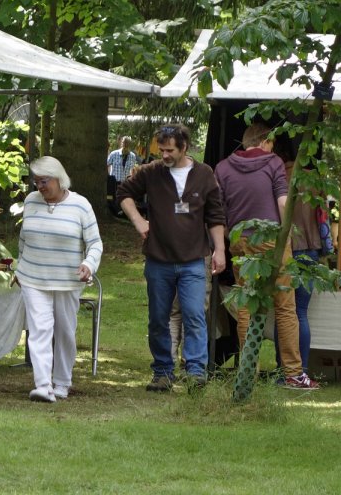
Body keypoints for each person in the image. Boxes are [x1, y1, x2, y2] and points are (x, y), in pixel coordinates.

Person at [117, 124, 226, 391]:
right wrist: (138, 220)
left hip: (193, 259)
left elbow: (215, 215)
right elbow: (123, 194)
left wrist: (220, 250)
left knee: (194, 315)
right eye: (161, 150)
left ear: (184, 147)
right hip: (158, 259)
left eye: (169, 150)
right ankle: (163, 371)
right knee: (158, 317)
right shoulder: (151, 172)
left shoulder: (204, 174)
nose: (164, 155)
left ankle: (196, 372)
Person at [214, 122, 319, 390]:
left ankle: (248, 371)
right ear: (267, 142)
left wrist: (230, 236)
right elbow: (283, 203)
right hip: (273, 239)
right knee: (285, 306)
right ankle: (293, 374)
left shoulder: (223, 167)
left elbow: (219, 213)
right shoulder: (273, 163)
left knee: (246, 305)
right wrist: (287, 236)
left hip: (240, 241)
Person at [14, 156, 103, 403]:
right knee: (39, 330)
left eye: (44, 181)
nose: (39, 187)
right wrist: (19, 268)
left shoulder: (81, 205)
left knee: (65, 331)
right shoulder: (31, 201)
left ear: (59, 179)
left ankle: (62, 381)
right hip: (34, 278)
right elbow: (24, 239)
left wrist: (88, 264)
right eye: (36, 182)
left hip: (66, 280)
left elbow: (95, 243)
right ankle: (43, 385)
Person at [273, 156, 323, 375]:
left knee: (283, 311)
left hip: (287, 248)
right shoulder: (314, 179)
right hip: (311, 248)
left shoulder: (278, 176)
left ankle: (282, 368)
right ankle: (299, 369)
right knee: (300, 312)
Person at [106, 136, 139, 214]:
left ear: (129, 144)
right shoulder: (114, 154)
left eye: (127, 143)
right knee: (113, 199)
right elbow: (107, 165)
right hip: (114, 181)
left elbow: (132, 169)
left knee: (123, 199)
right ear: (121, 143)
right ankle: (114, 213)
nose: (125, 144)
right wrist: (109, 177)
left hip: (125, 183)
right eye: (124, 142)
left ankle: (121, 214)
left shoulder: (132, 156)